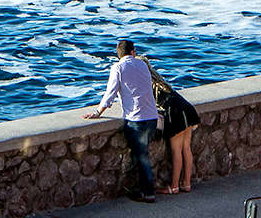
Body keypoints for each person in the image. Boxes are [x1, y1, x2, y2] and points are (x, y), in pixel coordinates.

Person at [83, 40, 162, 203]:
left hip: (136, 119)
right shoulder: (142, 65)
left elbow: (110, 94)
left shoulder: (118, 68)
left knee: (141, 157)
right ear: (133, 52)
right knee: (142, 156)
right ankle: (144, 189)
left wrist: (98, 112)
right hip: (151, 116)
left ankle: (148, 193)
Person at [145, 57, 200, 195]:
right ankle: (186, 183)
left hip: (175, 114)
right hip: (187, 109)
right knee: (186, 148)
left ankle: (174, 186)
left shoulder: (147, 84)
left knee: (176, 150)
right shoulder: (161, 82)